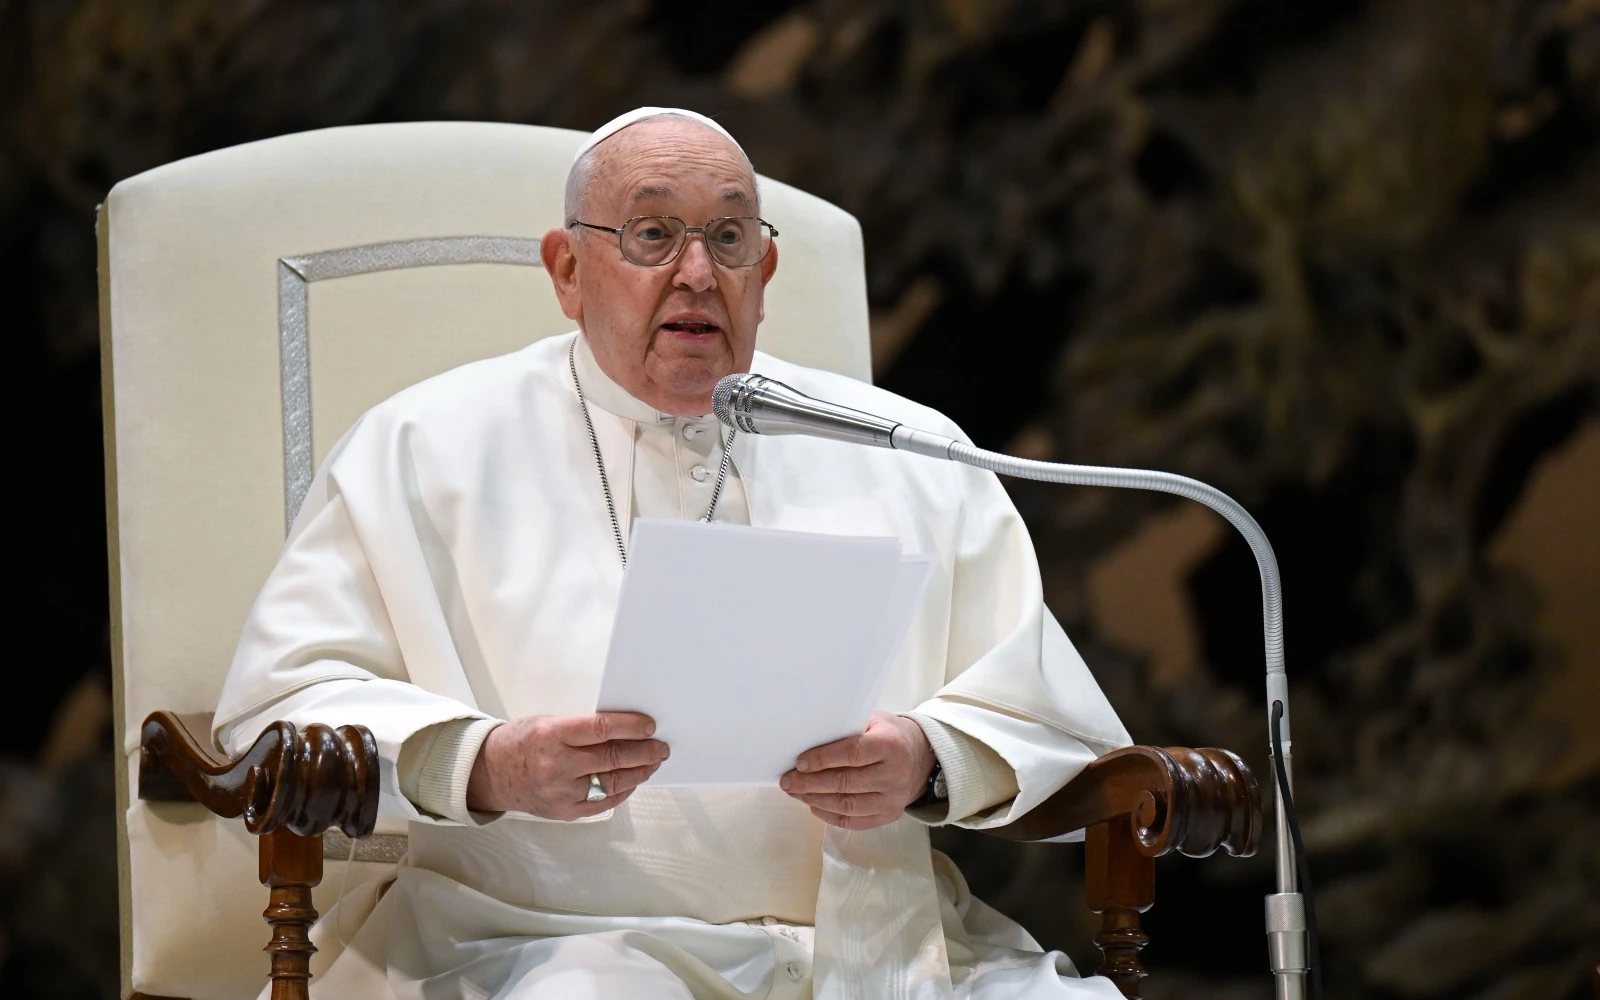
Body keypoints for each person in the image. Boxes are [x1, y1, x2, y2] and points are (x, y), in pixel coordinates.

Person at [214, 107, 1132, 1000]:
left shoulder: (905, 448)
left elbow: (1054, 719)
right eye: (653, 234)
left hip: (881, 948)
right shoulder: (424, 447)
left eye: (729, 239)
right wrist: (485, 764)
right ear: (568, 269)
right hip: (540, 947)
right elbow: (276, 710)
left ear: (764, 270)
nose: (697, 272)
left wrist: (928, 758)